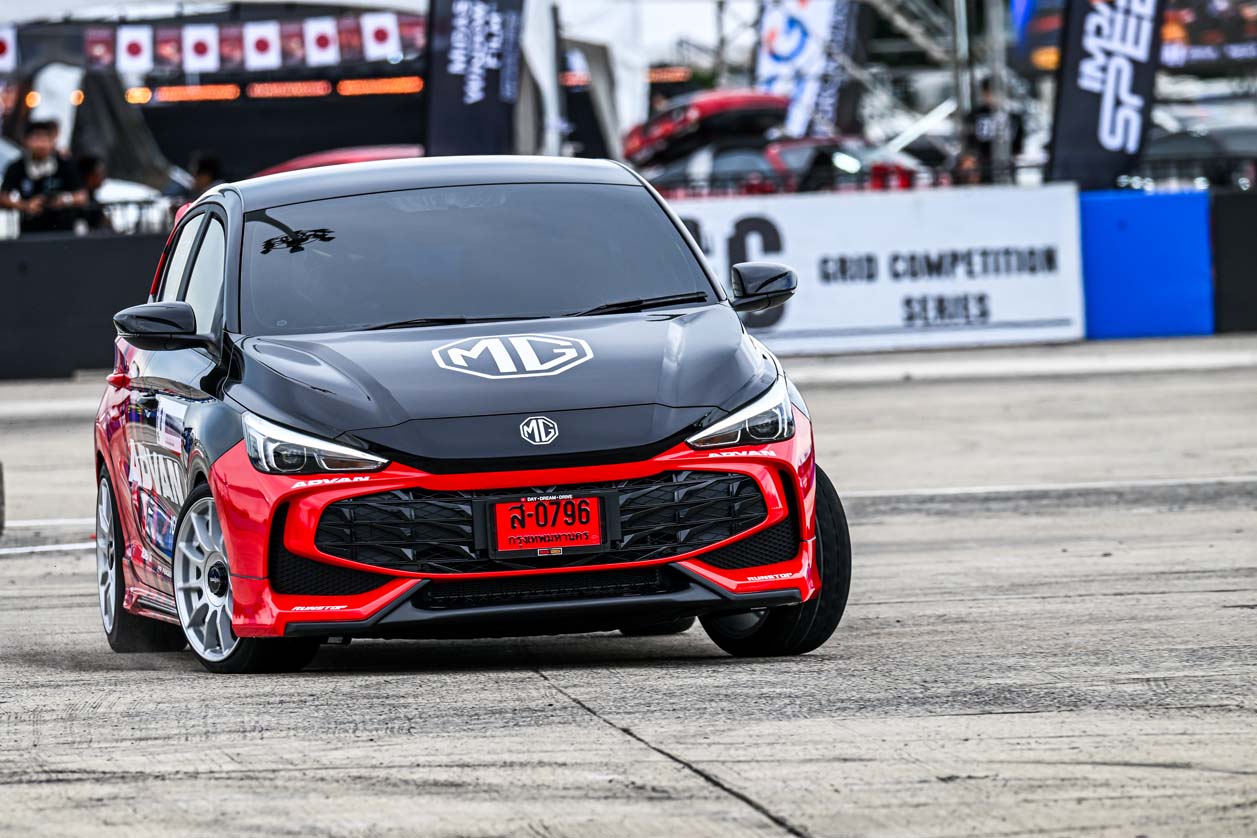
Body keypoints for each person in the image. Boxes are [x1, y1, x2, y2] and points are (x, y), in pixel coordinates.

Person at [0, 120, 88, 234]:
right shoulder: (17, 167)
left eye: (45, 139)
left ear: (53, 142)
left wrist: (63, 200)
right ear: (26, 141)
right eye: (36, 139)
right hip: (31, 231)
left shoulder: (65, 165)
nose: (41, 145)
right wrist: (25, 205)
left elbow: (82, 196)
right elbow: (3, 197)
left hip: (63, 231)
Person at [76, 153, 111, 231]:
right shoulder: (79, 201)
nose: (103, 176)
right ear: (89, 175)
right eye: (99, 172)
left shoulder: (93, 198)